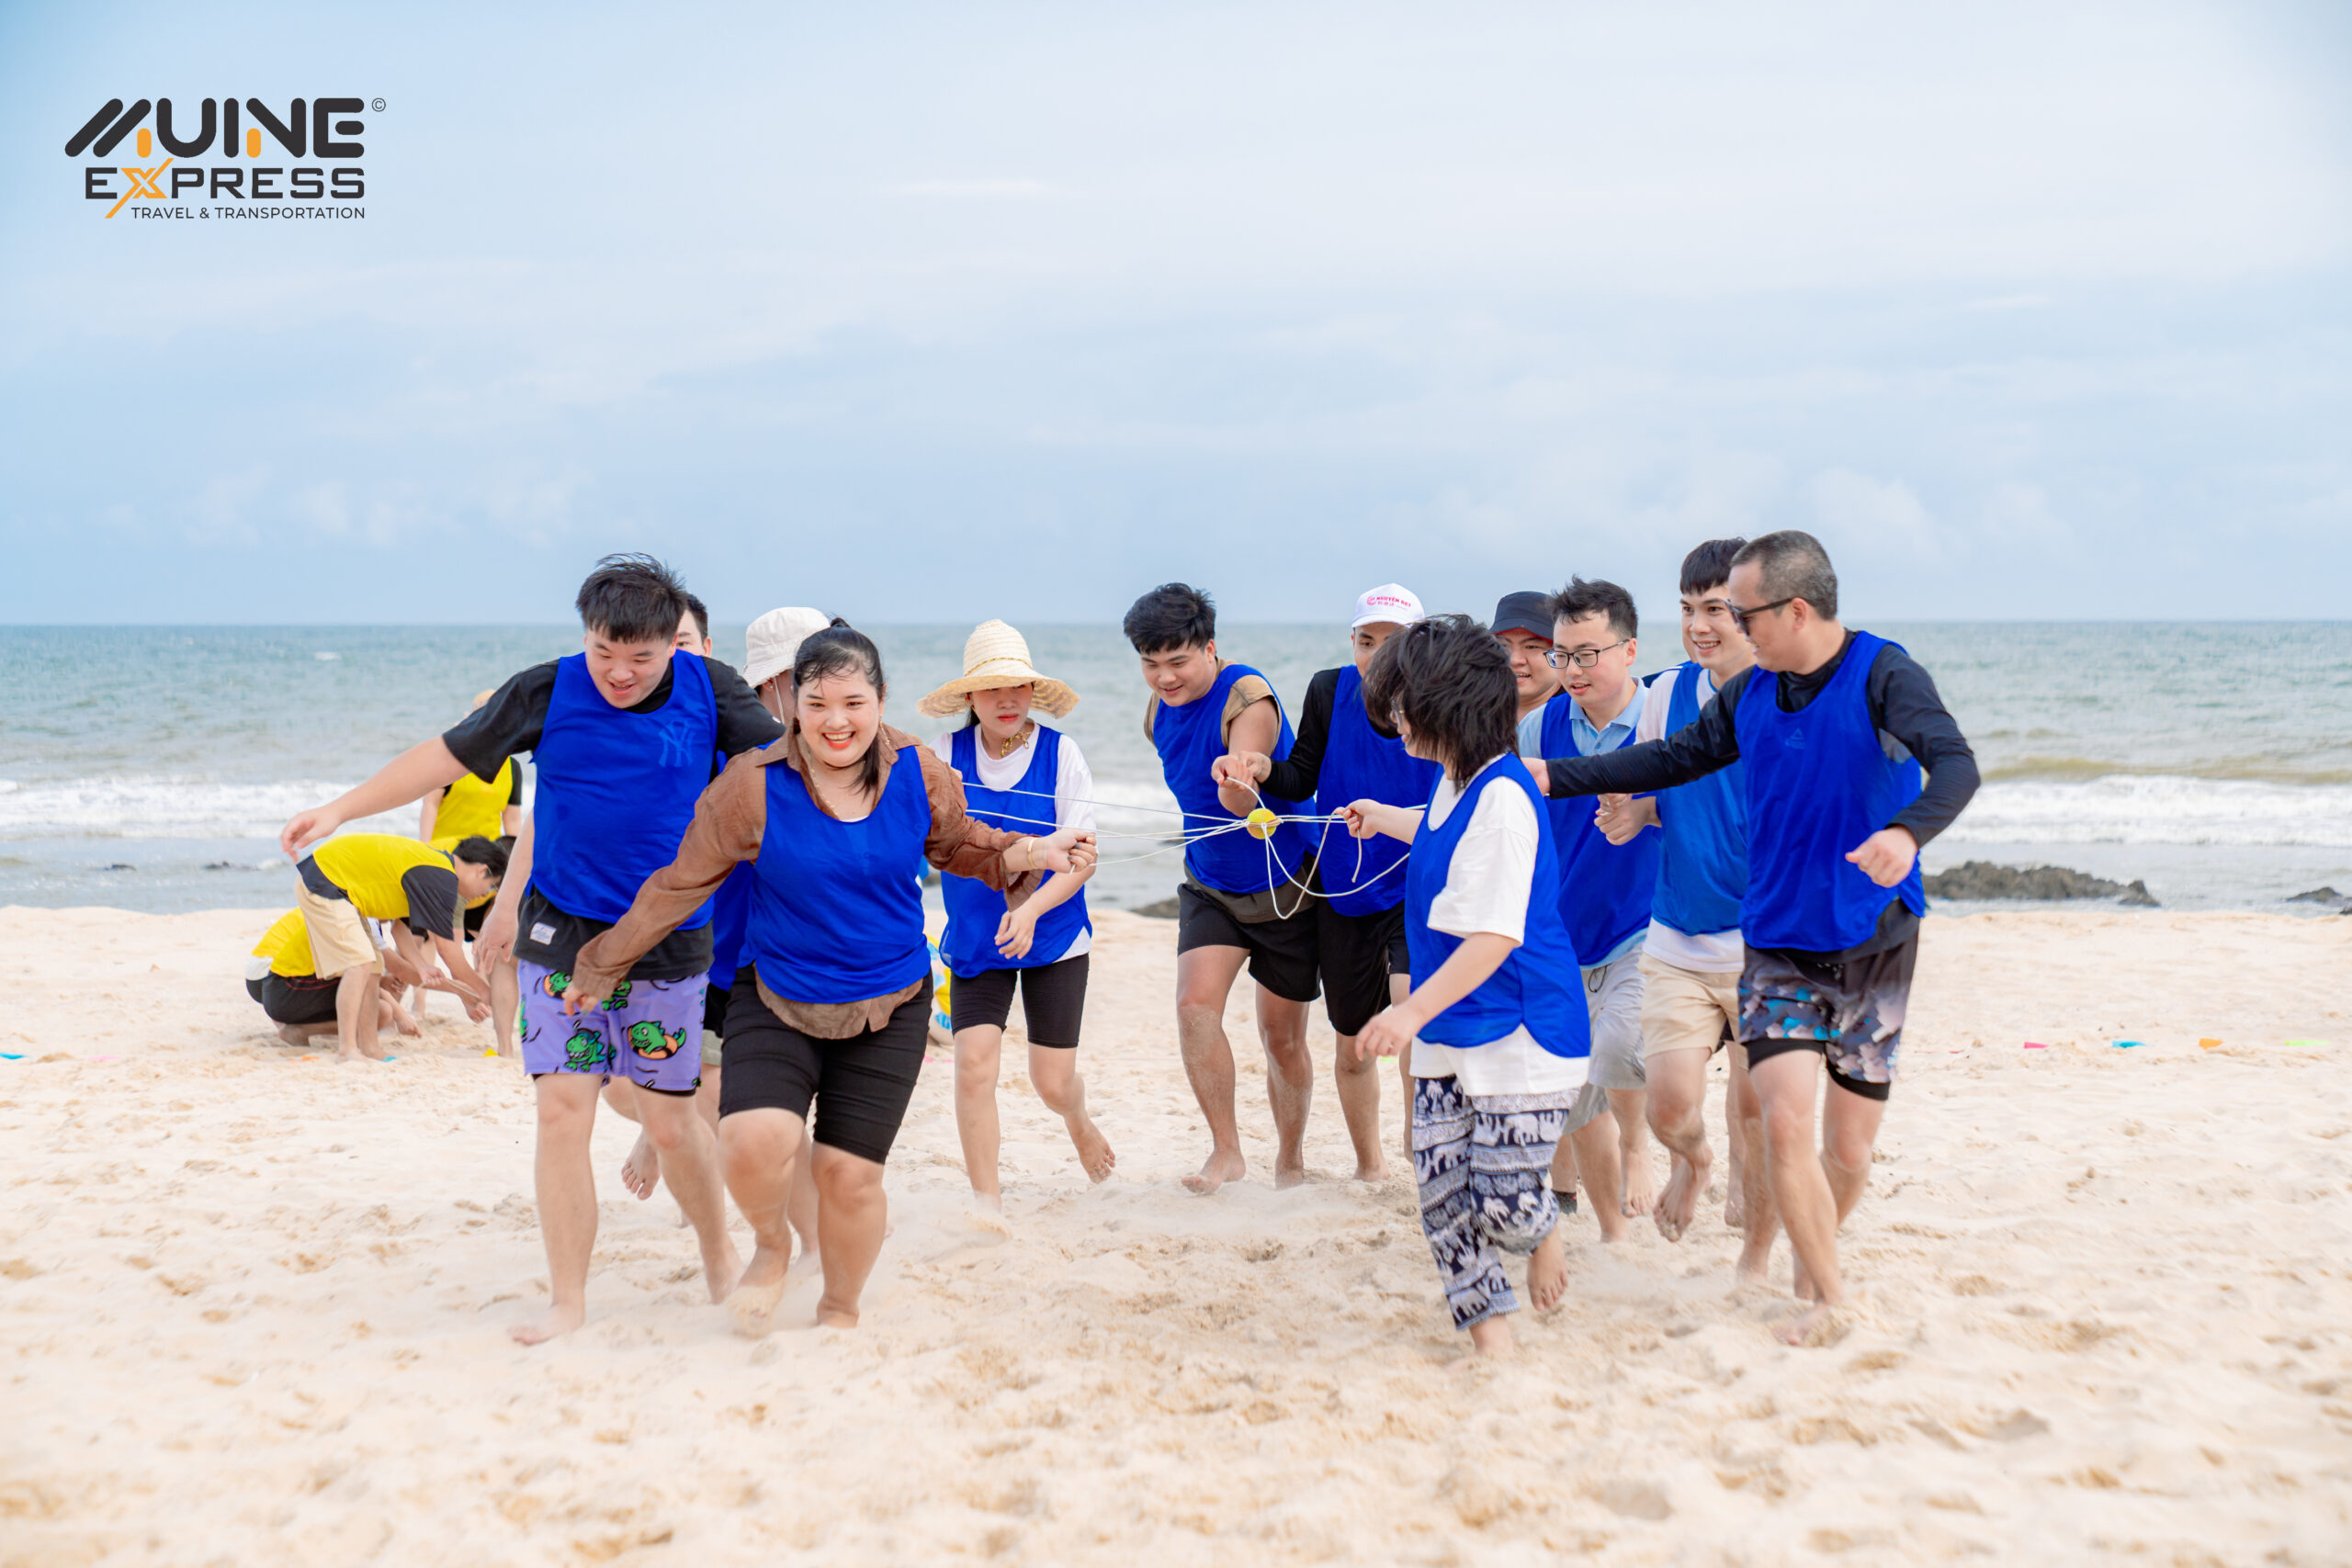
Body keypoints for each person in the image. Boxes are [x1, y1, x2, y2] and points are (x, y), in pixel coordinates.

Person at [277, 553, 786, 1346]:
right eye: (603, 651)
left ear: (671, 643)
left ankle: (718, 1250)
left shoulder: (711, 690)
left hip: (666, 939)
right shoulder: (548, 690)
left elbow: (796, 765)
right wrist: (342, 808)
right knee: (560, 1111)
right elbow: (443, 755)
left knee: (668, 1120)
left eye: (640, 657)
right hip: (562, 936)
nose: (619, 672)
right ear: (585, 635)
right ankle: (568, 1301)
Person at [561, 624, 1094, 1332]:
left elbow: (960, 843)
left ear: (880, 700)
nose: (835, 721)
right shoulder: (751, 784)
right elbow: (678, 885)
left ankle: (839, 1308)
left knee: (850, 1178)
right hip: (777, 993)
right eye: (816, 703)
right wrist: (602, 964)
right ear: (794, 704)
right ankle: (773, 1242)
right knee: (752, 1140)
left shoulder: (918, 770)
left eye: (852, 702)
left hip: (890, 1000)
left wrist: (1033, 850)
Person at [1528, 530, 1980, 1345]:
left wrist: (1907, 832)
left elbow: (1955, 763)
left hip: (1874, 937)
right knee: (1781, 1121)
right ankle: (1826, 1295)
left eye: (1741, 613)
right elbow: (1670, 758)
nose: (1726, 627)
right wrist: (1555, 774)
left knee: (1848, 1147)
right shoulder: (1749, 695)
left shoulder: (1883, 673)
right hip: (1771, 939)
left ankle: (1813, 1253)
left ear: (1795, 610)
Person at [1339, 615, 1589, 1356]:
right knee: (1443, 1194)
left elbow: (1494, 937)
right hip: (1453, 1027)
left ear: (1448, 704)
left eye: (1404, 701)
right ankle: (1493, 1346)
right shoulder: (1456, 780)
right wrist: (1384, 817)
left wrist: (1408, 1011)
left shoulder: (1506, 798)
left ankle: (1542, 1229)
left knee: (1505, 1202)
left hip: (1521, 1028)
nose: (1395, 716)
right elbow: (1441, 826)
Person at [611, 606, 831, 1272]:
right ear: (767, 686)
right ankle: (674, 1134)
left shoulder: (842, 742)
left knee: (766, 1111)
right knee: (653, 1088)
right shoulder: (712, 744)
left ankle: (814, 1245)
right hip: (712, 953)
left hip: (788, 956)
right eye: (804, 677)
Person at [1211, 583, 1440, 1180]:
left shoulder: (1440, 700)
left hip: (1417, 883)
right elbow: (1301, 777)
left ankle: (1420, 1134)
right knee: (1352, 1046)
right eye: (1366, 640)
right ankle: (1370, 1166)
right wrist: (1263, 768)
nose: (1376, 655)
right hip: (1341, 887)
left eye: (1392, 642)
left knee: (1410, 1004)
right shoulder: (1328, 689)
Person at [1124, 582, 1319, 1195]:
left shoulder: (1247, 697)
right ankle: (1227, 1151)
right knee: (1193, 1009)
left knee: (1281, 1038)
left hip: (1285, 886)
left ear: (1210, 647)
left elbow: (1244, 796)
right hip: (1210, 883)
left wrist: (1236, 780)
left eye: (1178, 661)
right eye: (1151, 663)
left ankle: (1290, 1159)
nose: (1164, 677)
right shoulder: (1158, 710)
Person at [918, 620, 1113, 1211]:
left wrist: (1030, 910)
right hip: (978, 937)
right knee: (973, 1067)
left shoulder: (1062, 753)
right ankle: (988, 1203)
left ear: (1033, 691)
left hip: (1054, 933)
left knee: (1052, 1084)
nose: (1007, 700)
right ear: (969, 696)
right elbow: (925, 841)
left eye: (1018, 687)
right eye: (992, 688)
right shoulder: (944, 755)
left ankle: (1077, 1119)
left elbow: (1082, 860)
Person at [1613, 539, 1759, 1245]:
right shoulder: (1665, 695)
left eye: (1715, 610)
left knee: (1754, 1108)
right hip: (1678, 934)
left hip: (1765, 941)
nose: (1698, 625)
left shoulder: (1785, 698)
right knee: (1668, 1107)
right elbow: (1658, 790)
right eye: (1686, 608)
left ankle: (1753, 1222)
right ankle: (1696, 1162)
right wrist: (1635, 811)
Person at [1523, 579, 1664, 1236]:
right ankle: (1612, 1229)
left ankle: (1638, 1144)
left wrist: (1646, 808)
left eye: (1587, 654)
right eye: (1562, 656)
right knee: (1572, 1096)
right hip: (1562, 933)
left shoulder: (1664, 718)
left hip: (1645, 926)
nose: (1572, 670)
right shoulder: (1539, 727)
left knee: (1618, 1048)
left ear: (1629, 650)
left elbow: (1711, 800)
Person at [281, 831, 502, 1061]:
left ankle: (370, 1048)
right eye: (490, 886)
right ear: (481, 871)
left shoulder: (436, 870)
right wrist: (485, 992)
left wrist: (422, 965)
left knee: (374, 969)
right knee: (361, 962)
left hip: (342, 888)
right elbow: (448, 951)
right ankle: (347, 1050)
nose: (484, 894)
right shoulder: (442, 877)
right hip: (326, 879)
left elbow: (400, 930)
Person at [244, 908, 420, 1045]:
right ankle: (299, 1030)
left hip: (259, 973)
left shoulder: (328, 904)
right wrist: (400, 1014)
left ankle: (295, 1027)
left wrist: (381, 982)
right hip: (270, 973)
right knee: (379, 1008)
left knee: (373, 1002)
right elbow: (360, 973)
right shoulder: (357, 918)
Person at [1493, 591, 1558, 729]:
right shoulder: (1474, 715)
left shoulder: (1582, 717)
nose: (1514, 660)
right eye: (1504, 646)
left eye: (1531, 647)